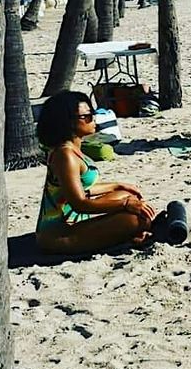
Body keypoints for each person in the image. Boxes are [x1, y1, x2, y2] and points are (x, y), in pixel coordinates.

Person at [35, 91, 157, 254]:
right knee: (138, 219)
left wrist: (117, 186)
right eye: (87, 116)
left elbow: (82, 189)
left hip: (73, 222)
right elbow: (79, 204)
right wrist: (125, 204)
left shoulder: (72, 149)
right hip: (59, 233)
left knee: (125, 194)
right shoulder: (65, 156)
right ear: (69, 122)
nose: (94, 119)